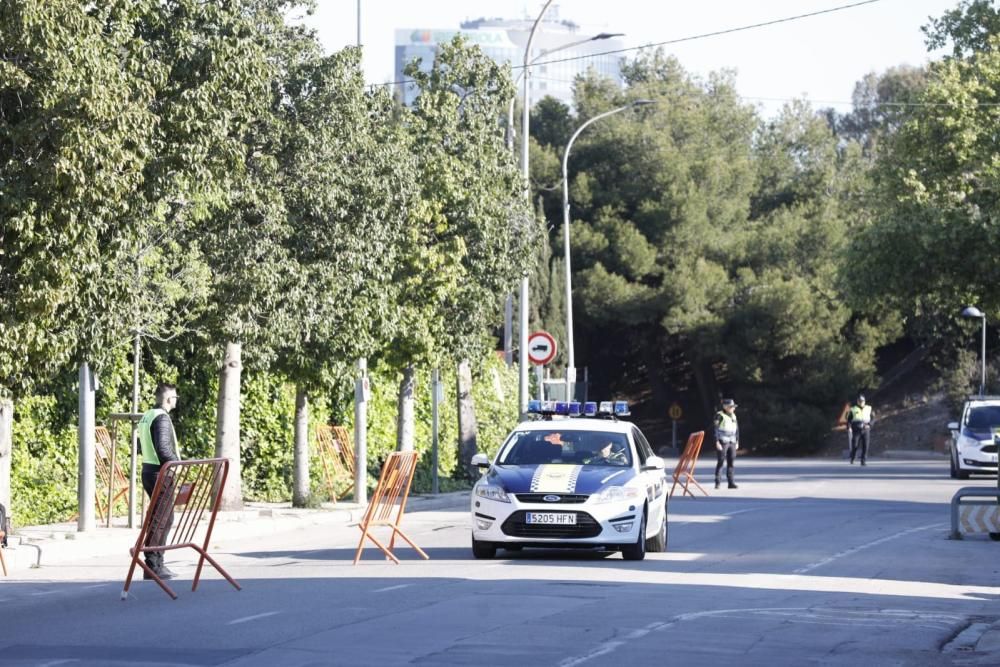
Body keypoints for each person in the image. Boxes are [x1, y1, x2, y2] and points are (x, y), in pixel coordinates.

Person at [138, 382, 181, 580]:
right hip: (160, 473)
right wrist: (176, 463)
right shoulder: (162, 418)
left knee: (159, 516)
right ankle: (154, 564)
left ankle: (154, 562)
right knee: (163, 518)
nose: (176, 401)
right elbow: (163, 448)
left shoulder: (148, 415)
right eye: (175, 397)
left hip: (148, 470)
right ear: (168, 399)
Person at [715, 398, 739, 489]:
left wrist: (737, 441)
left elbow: (737, 430)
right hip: (723, 441)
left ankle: (731, 482)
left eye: (733, 407)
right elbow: (716, 429)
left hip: (732, 441)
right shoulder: (719, 415)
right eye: (731, 407)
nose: (733, 408)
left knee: (731, 462)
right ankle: (718, 482)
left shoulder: (733, 415)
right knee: (721, 461)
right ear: (725, 407)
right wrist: (717, 441)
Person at [848, 393, 873, 466]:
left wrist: (869, 425)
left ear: (864, 401)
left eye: (862, 401)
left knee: (865, 446)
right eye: (859, 401)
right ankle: (852, 457)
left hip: (866, 429)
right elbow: (849, 419)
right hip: (856, 430)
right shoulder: (853, 409)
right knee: (855, 445)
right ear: (857, 401)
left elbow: (873, 418)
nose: (861, 402)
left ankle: (863, 460)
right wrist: (849, 427)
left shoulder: (869, 408)